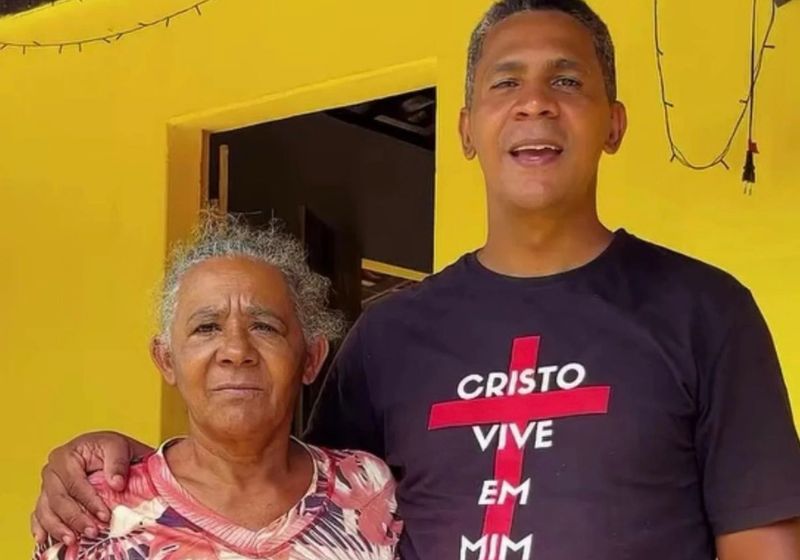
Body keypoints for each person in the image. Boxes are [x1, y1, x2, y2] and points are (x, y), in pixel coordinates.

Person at [32, 1, 800, 559]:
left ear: (615, 121)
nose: (534, 102)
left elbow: (763, 542)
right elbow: (280, 489)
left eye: (566, 81)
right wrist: (132, 471)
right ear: (465, 128)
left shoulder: (706, 311)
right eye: (505, 84)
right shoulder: (390, 337)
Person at [32, 218, 401, 559]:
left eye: (265, 327)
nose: (236, 351)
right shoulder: (95, 510)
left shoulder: (367, 489)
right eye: (206, 328)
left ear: (311, 358)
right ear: (166, 360)